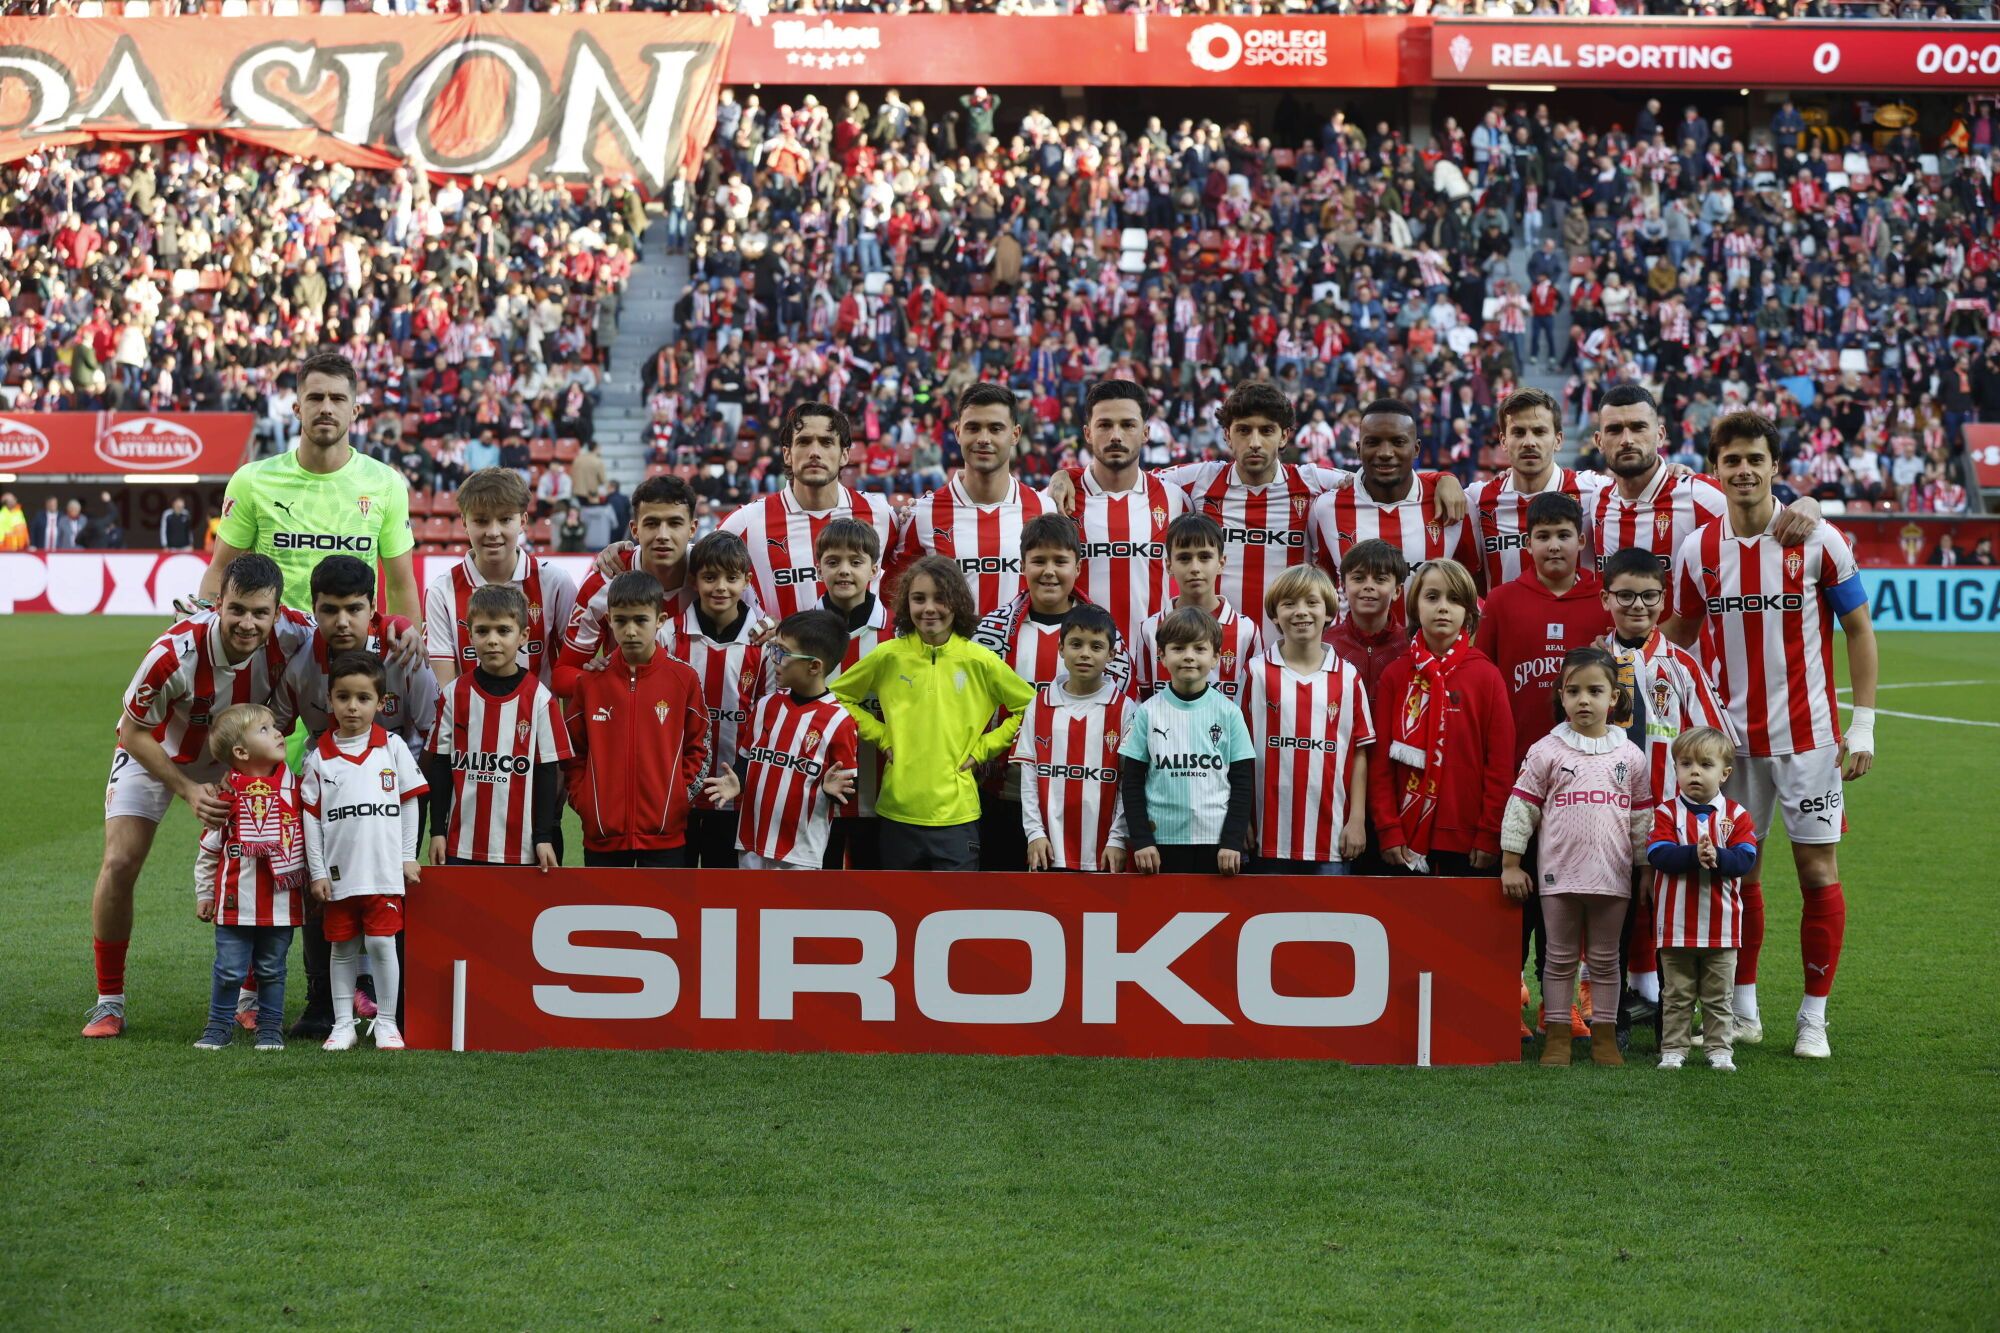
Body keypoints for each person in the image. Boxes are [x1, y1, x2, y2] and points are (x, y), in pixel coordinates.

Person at [1666, 410, 1878, 1059]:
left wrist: (1863, 725)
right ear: (1717, 468)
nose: (1744, 470)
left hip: (1809, 739)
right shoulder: (1697, 550)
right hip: (1727, 747)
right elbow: (1680, 631)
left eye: (1755, 458)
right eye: (1731, 460)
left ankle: (1814, 1017)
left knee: (1817, 871)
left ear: (1775, 466)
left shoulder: (1818, 539)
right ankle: (1744, 1011)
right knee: (1739, 873)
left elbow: (1859, 630)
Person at [84, 554, 310, 1039]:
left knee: (266, 854)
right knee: (120, 861)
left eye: (260, 613)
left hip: (240, 755)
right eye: (237, 609)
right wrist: (187, 790)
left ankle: (249, 998)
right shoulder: (173, 652)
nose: (247, 623)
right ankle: (108, 1001)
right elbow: (133, 731)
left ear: (277, 611)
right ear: (218, 603)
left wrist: (399, 629)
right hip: (157, 749)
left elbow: (352, 629)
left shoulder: (296, 633)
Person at [274, 554, 439, 1038]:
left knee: (394, 896)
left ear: (373, 608)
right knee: (321, 896)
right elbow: (276, 728)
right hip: (328, 791)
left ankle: (398, 1011)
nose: (342, 621)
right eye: (330, 609)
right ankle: (322, 1005)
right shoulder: (301, 666)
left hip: (393, 794)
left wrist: (425, 806)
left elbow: (434, 732)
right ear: (314, 609)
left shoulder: (404, 654)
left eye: (354, 608)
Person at [1596, 545, 1733, 1034]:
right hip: (1603, 814)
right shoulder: (1592, 665)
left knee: (1665, 915)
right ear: (1605, 598)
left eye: (1649, 596)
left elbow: (1715, 743)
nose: (1638, 606)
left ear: (1664, 598)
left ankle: (1668, 1020)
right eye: (1626, 596)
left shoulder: (1682, 666)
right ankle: (1609, 1014)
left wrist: (1700, 811)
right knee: (1610, 914)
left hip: (1666, 820)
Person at [829, 555, 1035, 872]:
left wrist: (983, 749)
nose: (929, 608)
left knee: (954, 904)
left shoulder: (979, 660)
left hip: (958, 816)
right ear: (906, 603)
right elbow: (837, 697)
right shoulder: (888, 655)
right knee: (897, 903)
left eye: (941, 598)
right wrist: (881, 736)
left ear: (958, 602)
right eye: (918, 598)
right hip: (897, 813)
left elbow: (1031, 709)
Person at [1501, 647, 1654, 1068]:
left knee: (1605, 961)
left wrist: (1645, 870)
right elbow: (1521, 809)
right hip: (1558, 877)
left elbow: (1641, 818)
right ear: (1561, 696)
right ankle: (1558, 1040)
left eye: (1594, 691)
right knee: (1558, 959)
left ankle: (1604, 1040)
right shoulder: (1546, 750)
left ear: (1614, 698)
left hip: (1613, 876)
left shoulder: (1630, 756)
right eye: (1573, 691)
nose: (1584, 700)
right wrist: (1511, 863)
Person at [202, 351, 421, 643]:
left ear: (355, 411)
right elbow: (220, 570)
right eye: (316, 398)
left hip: (350, 656)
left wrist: (408, 653)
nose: (326, 408)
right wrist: (204, 633)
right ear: (297, 408)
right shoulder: (252, 481)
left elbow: (400, 584)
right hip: (272, 652)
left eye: (338, 399)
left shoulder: (386, 483)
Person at [971, 514, 1131, 870]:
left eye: (1060, 561)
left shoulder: (1108, 640)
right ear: (1022, 564)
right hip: (1004, 795)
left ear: (1078, 567)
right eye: (1038, 561)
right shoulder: (991, 633)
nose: (1049, 572)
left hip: (1081, 805)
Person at [300, 653, 426, 1052]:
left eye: (363, 698)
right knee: (341, 949)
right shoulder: (318, 759)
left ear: (381, 702)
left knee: (382, 945)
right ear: (330, 699)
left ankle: (387, 1022)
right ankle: (343, 1025)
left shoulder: (392, 747)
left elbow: (409, 801)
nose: (352, 707)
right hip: (340, 874)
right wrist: (318, 872)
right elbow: (311, 821)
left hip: (383, 871)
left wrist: (407, 855)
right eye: (343, 697)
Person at [1369, 559, 1513, 878]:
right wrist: (1388, 828)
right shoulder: (1395, 675)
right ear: (1415, 606)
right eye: (1432, 597)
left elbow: (1500, 764)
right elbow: (1379, 764)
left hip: (1467, 839)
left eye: (1454, 599)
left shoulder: (1487, 675)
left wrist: (1489, 833)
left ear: (1469, 611)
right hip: (1403, 838)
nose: (1443, 608)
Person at [1588, 383, 1820, 580]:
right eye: (1614, 430)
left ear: (1660, 435)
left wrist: (1809, 505)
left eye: (1638, 427)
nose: (1627, 440)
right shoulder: (1594, 496)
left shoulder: (1699, 494)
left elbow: (1774, 519)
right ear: (1599, 441)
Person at [562, 570, 711, 868]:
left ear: (660, 620)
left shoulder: (684, 679)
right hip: (603, 837)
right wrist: (585, 802)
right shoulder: (590, 682)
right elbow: (573, 751)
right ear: (609, 621)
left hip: (665, 837)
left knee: (665, 902)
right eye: (621, 621)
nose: (630, 631)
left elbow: (700, 746)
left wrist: (676, 799)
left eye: (641, 620)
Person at [423, 583, 570, 870]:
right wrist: (437, 830)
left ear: (523, 636)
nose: (492, 640)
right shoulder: (454, 694)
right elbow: (440, 766)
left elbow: (547, 772)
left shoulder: (540, 698)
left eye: (503, 630)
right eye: (482, 631)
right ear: (469, 635)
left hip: (522, 849)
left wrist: (543, 836)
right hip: (461, 845)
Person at [885, 382, 1056, 616]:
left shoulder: (1044, 509)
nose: (983, 438)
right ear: (958, 433)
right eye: (973, 428)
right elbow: (894, 598)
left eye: (995, 429)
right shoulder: (923, 515)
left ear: (1015, 435)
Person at [190, 704, 304, 1052]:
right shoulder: (226, 798)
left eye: (273, 726)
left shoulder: (297, 790)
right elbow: (209, 851)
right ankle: (218, 1027)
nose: (278, 732)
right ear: (240, 752)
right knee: (228, 969)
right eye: (265, 730)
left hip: (281, 903)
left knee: (272, 970)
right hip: (234, 903)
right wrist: (205, 893)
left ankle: (270, 1028)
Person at [1244, 566, 1372, 875]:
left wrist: (1357, 820)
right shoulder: (1256, 672)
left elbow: (1359, 753)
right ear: (1275, 615)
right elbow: (1238, 752)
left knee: (1330, 909)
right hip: (1267, 835)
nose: (1301, 611)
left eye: (1311, 602)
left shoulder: (1348, 677)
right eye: (1289, 603)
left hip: (1331, 838)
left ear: (1328, 612)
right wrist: (1242, 819)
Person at [1646, 726, 1760, 1072]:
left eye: (1705, 765)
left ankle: (1719, 1049)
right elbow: (1658, 854)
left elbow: (1746, 859)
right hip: (1676, 927)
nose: (1694, 772)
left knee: (1718, 996)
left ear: (1725, 773)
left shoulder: (1736, 815)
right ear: (1676, 769)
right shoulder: (1666, 813)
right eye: (1686, 764)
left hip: (1721, 928)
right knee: (1676, 995)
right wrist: (1694, 855)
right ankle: (1673, 1049)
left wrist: (1718, 857)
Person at [710, 609, 859, 871]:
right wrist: (738, 782)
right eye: (773, 648)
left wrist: (830, 790)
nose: (773, 658)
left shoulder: (839, 721)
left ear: (814, 666)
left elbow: (846, 786)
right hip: (751, 842)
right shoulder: (765, 706)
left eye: (782, 652)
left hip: (800, 854)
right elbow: (746, 760)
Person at [720, 401, 897, 620]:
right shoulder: (744, 524)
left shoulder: (881, 515)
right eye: (803, 442)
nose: (814, 452)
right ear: (787, 454)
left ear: (844, 455)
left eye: (826, 442)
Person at [1120, 607, 1256, 877]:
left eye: (1199, 648)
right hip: (1161, 844)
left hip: (1216, 845)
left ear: (1215, 657)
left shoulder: (1229, 713)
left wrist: (1232, 841)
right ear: (1162, 655)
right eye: (1179, 648)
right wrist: (1142, 840)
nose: (1189, 656)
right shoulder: (1147, 712)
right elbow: (1132, 782)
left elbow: (1242, 784)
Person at [1051, 380, 1188, 647]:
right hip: (1081, 661)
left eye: (1127, 425)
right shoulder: (1057, 500)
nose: (1116, 435)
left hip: (1152, 658)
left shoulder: (1175, 498)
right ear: (1087, 433)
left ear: (1145, 433)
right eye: (1104, 425)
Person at [425, 468, 577, 687]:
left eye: (505, 519)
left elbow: (573, 672)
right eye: (481, 521)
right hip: (466, 711)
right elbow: (442, 687)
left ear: (523, 521)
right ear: (465, 522)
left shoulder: (556, 583)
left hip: (540, 710)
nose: (493, 532)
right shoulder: (441, 592)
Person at [1010, 604, 1131, 874]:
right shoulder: (1040, 705)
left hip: (1103, 853)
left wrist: (1117, 838)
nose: (1085, 653)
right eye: (1076, 644)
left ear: (1111, 654)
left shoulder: (1124, 709)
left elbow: (1129, 782)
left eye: (1096, 647)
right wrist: (1034, 833)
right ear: (1061, 648)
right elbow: (1028, 777)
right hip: (1048, 850)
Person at [670, 532, 766, 868]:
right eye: (710, 578)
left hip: (736, 795)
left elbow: (769, 722)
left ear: (747, 581)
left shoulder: (765, 645)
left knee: (724, 890)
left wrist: (743, 776)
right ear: (693, 581)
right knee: (673, 888)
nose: (720, 587)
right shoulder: (669, 636)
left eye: (731, 578)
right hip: (677, 793)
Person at [557, 475, 701, 687]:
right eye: (651, 523)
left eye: (674, 523)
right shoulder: (605, 580)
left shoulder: (713, 574)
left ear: (692, 529)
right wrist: (601, 681)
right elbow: (563, 674)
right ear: (635, 530)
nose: (663, 535)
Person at [1310, 398, 1465, 579]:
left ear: (1416, 449)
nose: (1385, 453)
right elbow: (1324, 585)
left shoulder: (1454, 504)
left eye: (1398, 442)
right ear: (1359, 449)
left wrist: (1445, 477)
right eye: (1373, 442)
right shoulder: (1326, 509)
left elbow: (1471, 584)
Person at [815, 518, 893, 871]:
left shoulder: (897, 634)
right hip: (814, 796)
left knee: (874, 891)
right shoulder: (798, 633)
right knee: (817, 894)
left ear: (875, 569)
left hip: (882, 796)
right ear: (819, 568)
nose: (844, 570)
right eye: (833, 562)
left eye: (856, 561)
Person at [1133, 514, 1260, 701]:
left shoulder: (1247, 631)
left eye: (1204, 557)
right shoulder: (1150, 629)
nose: (1195, 567)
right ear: (1169, 565)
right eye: (1184, 558)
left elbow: (1253, 702)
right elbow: (1145, 700)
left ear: (1221, 563)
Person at [1327, 539, 1410, 700]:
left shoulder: (1410, 646)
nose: (1369, 586)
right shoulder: (1326, 645)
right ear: (1343, 587)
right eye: (1358, 578)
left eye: (1380, 579)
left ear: (1397, 591)